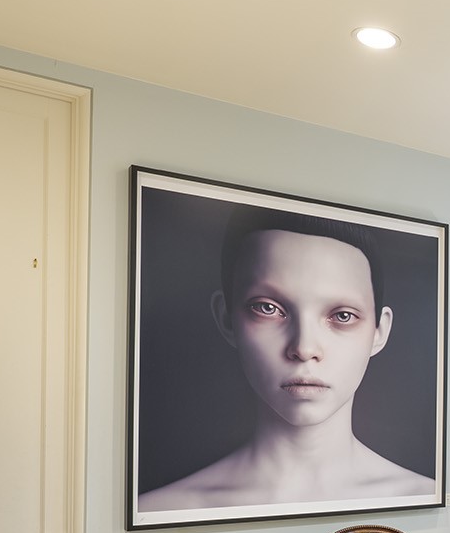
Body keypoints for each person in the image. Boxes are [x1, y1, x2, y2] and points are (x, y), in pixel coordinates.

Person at [140, 207, 434, 511]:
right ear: (226, 319)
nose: (304, 348)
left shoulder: (424, 495)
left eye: (342, 316)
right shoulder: (161, 509)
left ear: (379, 331)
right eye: (268, 308)